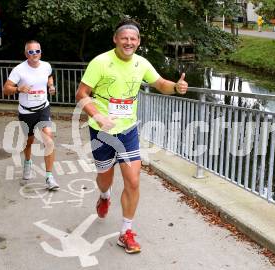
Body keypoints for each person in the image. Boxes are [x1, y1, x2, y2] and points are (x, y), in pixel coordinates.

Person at [75, 18, 188, 254]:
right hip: (102, 131)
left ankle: (126, 231)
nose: (128, 42)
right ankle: (104, 196)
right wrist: (99, 116)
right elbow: (82, 93)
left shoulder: (141, 63)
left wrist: (175, 87)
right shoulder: (101, 62)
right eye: (124, 38)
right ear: (115, 39)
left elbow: (160, 83)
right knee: (105, 179)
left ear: (138, 42)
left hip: (127, 131)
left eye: (133, 39)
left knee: (133, 181)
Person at [3, 40, 60, 190]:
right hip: (26, 112)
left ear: (41, 52)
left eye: (37, 51)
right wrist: (18, 89)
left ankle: (49, 177)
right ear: (26, 53)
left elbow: (49, 76)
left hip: (43, 108)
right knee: (29, 142)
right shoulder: (19, 70)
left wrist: (51, 86)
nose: (34, 54)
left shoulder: (46, 65)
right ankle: (27, 162)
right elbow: (6, 89)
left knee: (48, 139)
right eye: (31, 52)